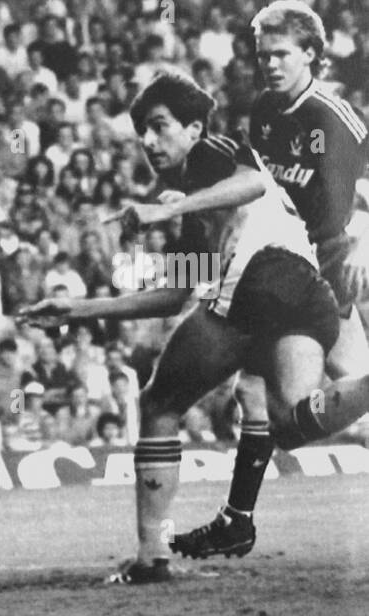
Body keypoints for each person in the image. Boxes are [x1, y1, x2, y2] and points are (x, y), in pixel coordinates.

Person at [23, 73, 369, 584]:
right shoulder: (194, 210)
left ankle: (151, 556)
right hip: (306, 294)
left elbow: (254, 181)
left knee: (161, 402)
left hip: (260, 281)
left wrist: (173, 205)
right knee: (289, 424)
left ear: (193, 128)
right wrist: (77, 308)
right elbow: (174, 296)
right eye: (141, 131)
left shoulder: (211, 153)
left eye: (160, 127)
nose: (147, 140)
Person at [123, 2, 369, 559]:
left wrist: (365, 235)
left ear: (312, 54)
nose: (271, 65)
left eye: (282, 54)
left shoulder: (336, 117)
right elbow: (253, 190)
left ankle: (234, 521)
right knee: (258, 396)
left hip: (331, 266)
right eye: (263, 56)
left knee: (310, 397)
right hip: (285, 270)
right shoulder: (262, 112)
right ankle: (236, 520)